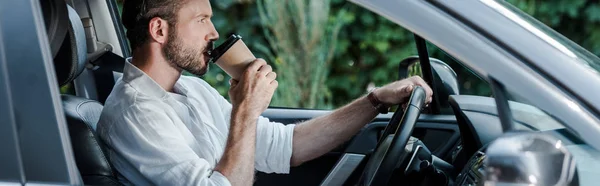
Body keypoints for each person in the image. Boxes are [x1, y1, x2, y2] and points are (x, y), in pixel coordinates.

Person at [96, 0, 433, 185]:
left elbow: (286, 147)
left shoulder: (191, 89)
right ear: (159, 29)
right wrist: (245, 110)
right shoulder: (136, 111)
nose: (214, 32)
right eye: (202, 19)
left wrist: (375, 101)